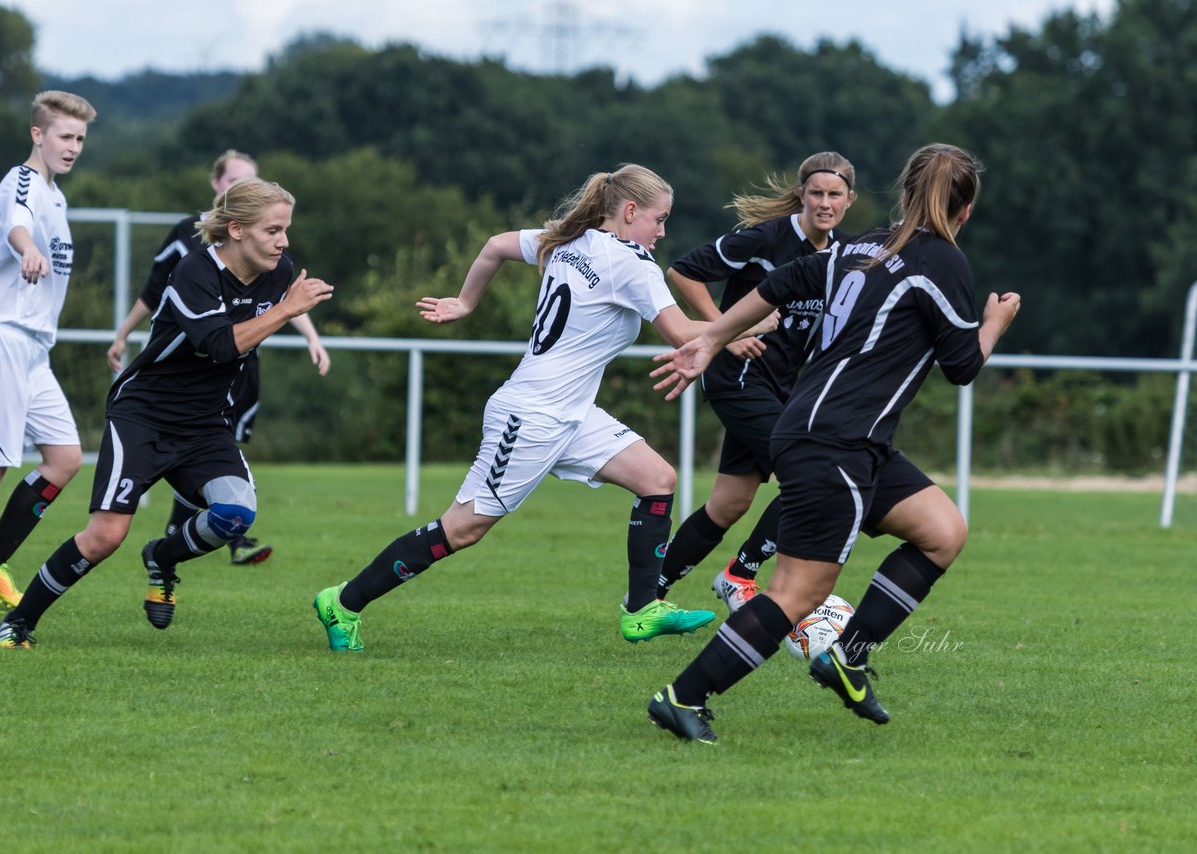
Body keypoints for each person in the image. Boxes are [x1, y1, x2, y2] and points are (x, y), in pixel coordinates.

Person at [644, 143, 1021, 742]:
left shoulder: (863, 245)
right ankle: (683, 697)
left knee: (942, 532)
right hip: (834, 444)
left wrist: (712, 336)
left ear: (902, 196)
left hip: (845, 439)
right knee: (796, 593)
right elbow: (962, 367)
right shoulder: (942, 262)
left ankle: (848, 655)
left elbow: (787, 280)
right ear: (966, 210)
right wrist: (994, 324)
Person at [312, 164, 731, 653]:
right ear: (631, 211)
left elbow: (494, 245)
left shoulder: (565, 238)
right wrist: (756, 322)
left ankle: (641, 610)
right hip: (531, 415)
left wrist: (467, 303)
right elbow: (682, 333)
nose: (662, 232)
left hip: (571, 413)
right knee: (462, 528)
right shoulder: (632, 263)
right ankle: (342, 601)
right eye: (659, 220)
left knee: (658, 479)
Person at [0, 179, 334, 648]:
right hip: (143, 416)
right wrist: (289, 309)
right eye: (273, 230)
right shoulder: (194, 271)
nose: (284, 241)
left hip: (206, 423)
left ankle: (162, 557)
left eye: (286, 230)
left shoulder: (279, 272)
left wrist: (293, 311)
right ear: (236, 229)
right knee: (105, 536)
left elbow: (262, 321)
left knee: (236, 515)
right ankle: (18, 622)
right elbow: (217, 346)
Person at [107, 149, 332, 566]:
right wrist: (123, 332)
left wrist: (312, 338)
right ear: (220, 190)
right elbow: (157, 294)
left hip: (228, 377)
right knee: (108, 530)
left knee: (220, 473)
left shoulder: (273, 257)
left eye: (252, 179)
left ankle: (188, 543)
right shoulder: (189, 246)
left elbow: (281, 301)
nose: (282, 239)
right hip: (179, 377)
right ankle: (187, 541)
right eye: (236, 182)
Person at [658, 152, 856, 614]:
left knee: (728, 504)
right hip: (739, 379)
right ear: (801, 195)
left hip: (783, 390)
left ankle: (647, 594)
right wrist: (726, 333)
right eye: (816, 193)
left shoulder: (847, 253)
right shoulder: (768, 237)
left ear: (850, 200)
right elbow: (682, 271)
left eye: (834, 195)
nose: (824, 203)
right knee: (813, 477)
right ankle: (739, 575)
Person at [0, 91, 97, 616]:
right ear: (37, 135)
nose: (73, 147)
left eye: (79, 138)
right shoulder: (22, 181)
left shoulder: (58, 195)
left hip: (30, 349)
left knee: (64, 459)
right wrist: (26, 247)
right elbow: (16, 223)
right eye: (64, 136)